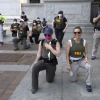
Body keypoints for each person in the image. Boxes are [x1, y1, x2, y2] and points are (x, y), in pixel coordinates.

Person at [31, 27, 61, 94]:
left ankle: (52, 73)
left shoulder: (56, 42)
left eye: (48, 35)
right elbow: (39, 52)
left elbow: (58, 54)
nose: (47, 36)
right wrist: (36, 61)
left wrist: (50, 48)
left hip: (51, 63)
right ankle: (34, 87)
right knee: (34, 68)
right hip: (43, 61)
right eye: (45, 35)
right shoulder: (42, 42)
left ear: (51, 34)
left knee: (49, 80)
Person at [66, 26, 92, 92]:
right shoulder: (69, 42)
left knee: (88, 66)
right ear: (73, 33)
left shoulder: (84, 42)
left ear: (81, 33)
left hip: (81, 60)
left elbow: (86, 52)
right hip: (73, 61)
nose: (77, 34)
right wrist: (68, 64)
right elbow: (67, 55)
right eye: (75, 33)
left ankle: (88, 84)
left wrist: (86, 58)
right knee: (73, 80)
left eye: (78, 32)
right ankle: (74, 72)